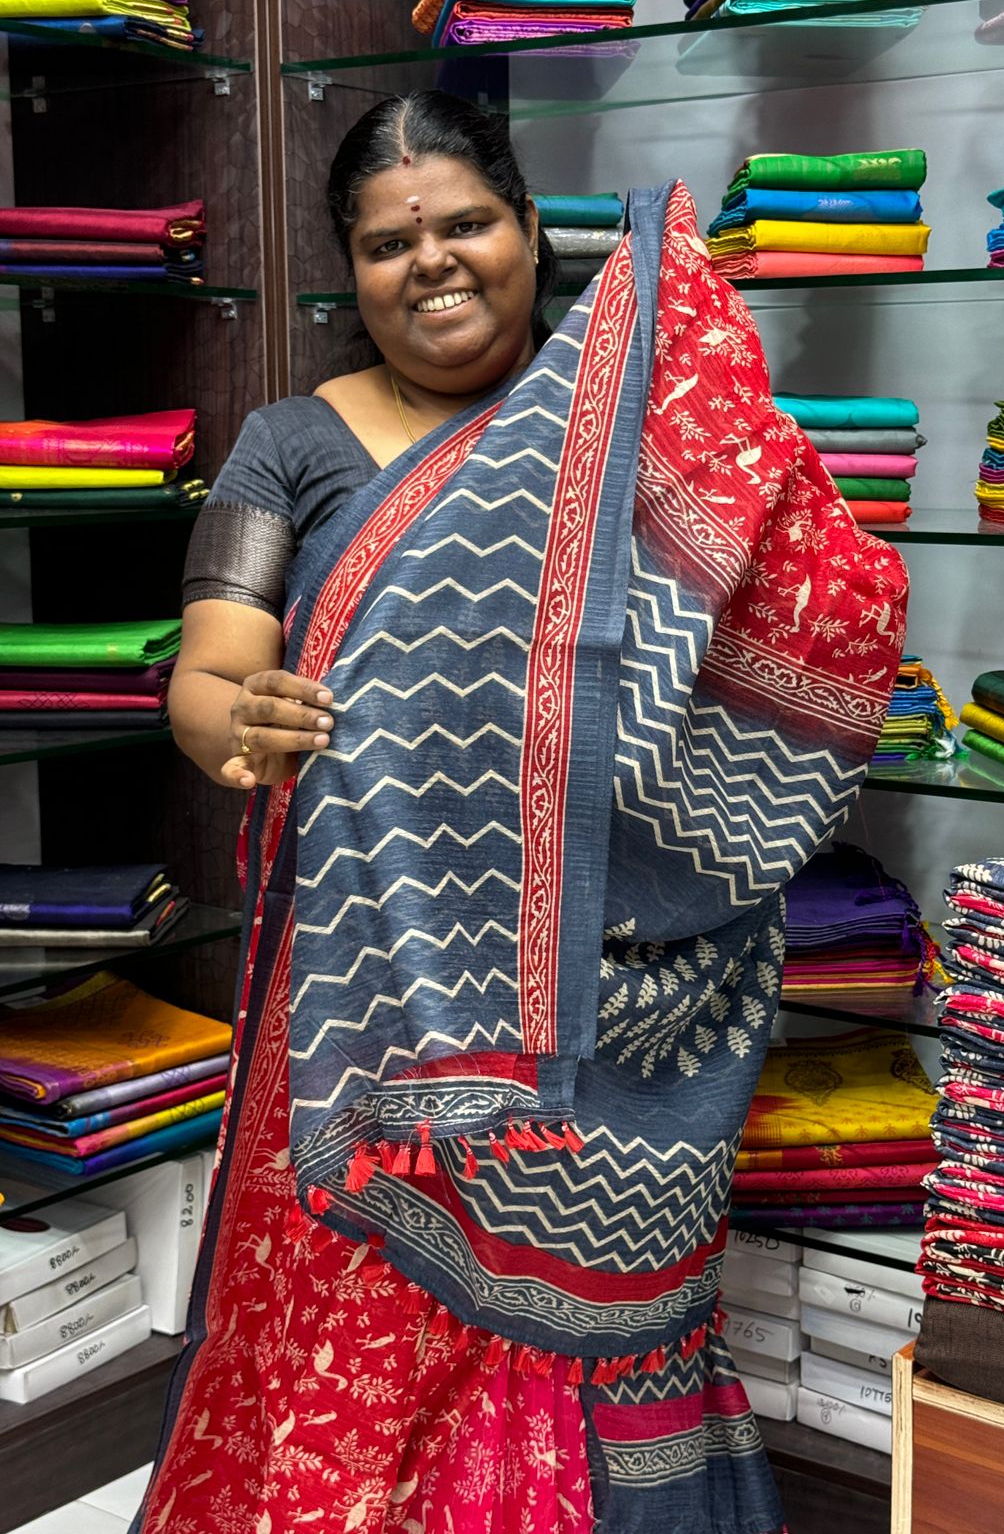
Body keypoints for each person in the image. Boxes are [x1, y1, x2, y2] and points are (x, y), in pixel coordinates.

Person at [134, 90, 908, 1534]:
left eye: (466, 223)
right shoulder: (290, 443)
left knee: (566, 1335)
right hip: (371, 1006)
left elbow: (801, 598)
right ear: (347, 271)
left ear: (531, 229)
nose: (431, 262)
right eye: (387, 243)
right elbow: (210, 661)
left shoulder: (627, 419)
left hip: (611, 996)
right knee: (357, 1324)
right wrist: (240, 716)